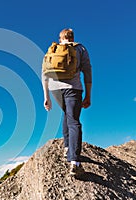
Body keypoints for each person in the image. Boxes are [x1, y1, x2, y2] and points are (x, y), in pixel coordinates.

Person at [42, 28, 92, 176]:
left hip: (55, 90)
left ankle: (66, 148)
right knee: (73, 120)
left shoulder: (53, 49)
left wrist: (46, 96)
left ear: (60, 38)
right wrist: (88, 95)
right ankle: (75, 162)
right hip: (73, 89)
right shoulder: (80, 48)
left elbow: (44, 73)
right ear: (72, 37)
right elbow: (88, 73)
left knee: (67, 114)